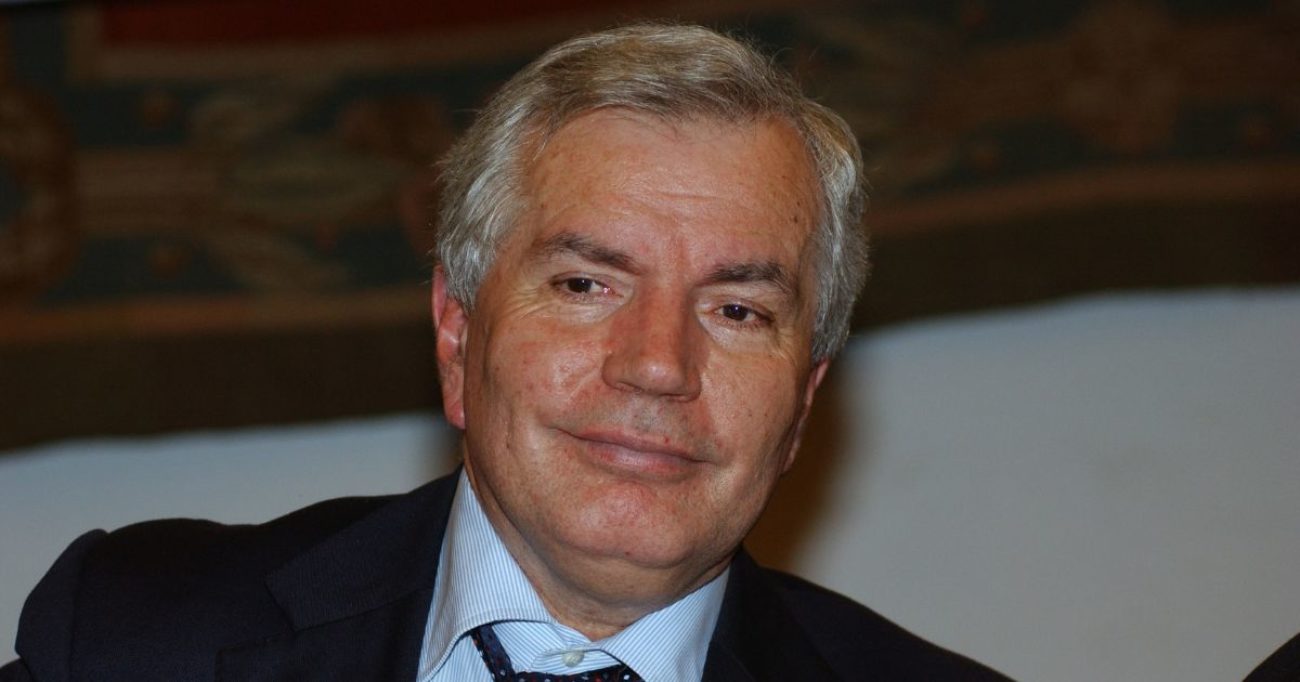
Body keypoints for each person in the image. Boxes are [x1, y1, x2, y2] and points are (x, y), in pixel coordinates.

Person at [1, 24, 1008, 681]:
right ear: (456, 332)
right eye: (585, 285)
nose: (658, 365)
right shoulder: (136, 639)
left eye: (738, 310)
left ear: (803, 401)